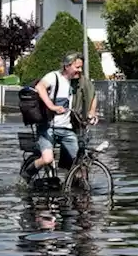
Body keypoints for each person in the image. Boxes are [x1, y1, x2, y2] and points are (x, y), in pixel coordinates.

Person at [21, 53, 98, 181]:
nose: (80, 70)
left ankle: (80, 186)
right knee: (47, 159)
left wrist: (92, 112)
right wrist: (51, 106)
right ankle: (27, 174)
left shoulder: (79, 81)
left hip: (66, 129)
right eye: (77, 67)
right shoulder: (53, 77)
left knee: (80, 162)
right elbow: (40, 87)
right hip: (47, 127)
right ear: (67, 66)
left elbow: (93, 94)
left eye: (81, 68)